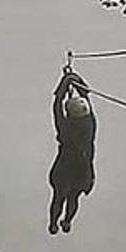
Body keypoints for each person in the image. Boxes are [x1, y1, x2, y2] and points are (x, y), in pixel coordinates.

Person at [48, 68, 97, 234]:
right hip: (82, 169)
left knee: (59, 197)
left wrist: (65, 83)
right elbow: (86, 96)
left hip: (65, 168)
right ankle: (66, 221)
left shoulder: (65, 128)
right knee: (73, 197)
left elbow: (56, 106)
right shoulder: (90, 125)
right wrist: (76, 80)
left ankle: (54, 223)